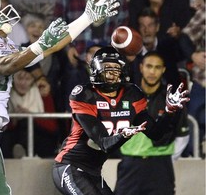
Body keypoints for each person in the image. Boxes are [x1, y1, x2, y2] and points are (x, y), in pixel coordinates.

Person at [0, 0, 121, 194]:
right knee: (0, 190)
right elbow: (1, 66)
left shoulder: (2, 45)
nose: (2, 13)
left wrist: (86, 18)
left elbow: (49, 47)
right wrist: (39, 45)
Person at [52, 46, 190, 195]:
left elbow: (156, 134)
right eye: (106, 67)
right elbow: (105, 143)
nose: (111, 72)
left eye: (115, 68)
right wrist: (125, 135)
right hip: (70, 166)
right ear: (96, 69)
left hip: (93, 171)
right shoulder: (85, 94)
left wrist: (169, 112)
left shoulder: (131, 94)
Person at [114, 52, 189, 195]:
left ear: (163, 70)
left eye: (157, 67)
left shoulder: (173, 99)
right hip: (129, 166)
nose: (152, 72)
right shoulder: (125, 96)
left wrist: (165, 158)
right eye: (149, 66)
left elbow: (183, 135)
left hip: (161, 169)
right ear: (141, 67)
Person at [53, 0, 129, 112]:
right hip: (78, 58)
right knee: (72, 81)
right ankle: (71, 124)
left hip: (109, 58)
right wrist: (68, 47)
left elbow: (123, 25)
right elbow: (57, 22)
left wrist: (116, 53)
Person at [0, 69, 59, 158]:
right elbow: (1, 126)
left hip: (39, 136)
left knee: (26, 120)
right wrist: (14, 120)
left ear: (32, 81)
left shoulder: (42, 93)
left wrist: (31, 116)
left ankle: (24, 151)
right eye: (19, 78)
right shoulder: (6, 95)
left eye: (27, 79)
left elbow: (52, 127)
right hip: (16, 136)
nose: (23, 83)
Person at [129, 7, 182, 89]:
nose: (146, 30)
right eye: (142, 26)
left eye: (150, 25)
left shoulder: (169, 48)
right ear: (138, 28)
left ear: (157, 27)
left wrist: (179, 36)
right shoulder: (132, 52)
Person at [179, 0, 205, 157]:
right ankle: (189, 157)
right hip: (203, 83)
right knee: (191, 132)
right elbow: (184, 38)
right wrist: (193, 56)